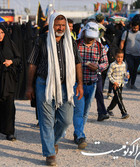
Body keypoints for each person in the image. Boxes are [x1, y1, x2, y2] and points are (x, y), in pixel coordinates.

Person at [26, 13, 83, 166]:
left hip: (66, 86)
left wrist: (80, 84)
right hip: (44, 85)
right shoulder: (42, 40)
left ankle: (53, 141)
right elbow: (32, 64)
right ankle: (50, 154)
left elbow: (78, 62)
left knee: (66, 120)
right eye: (58, 25)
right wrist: (29, 86)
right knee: (46, 121)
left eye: (63, 25)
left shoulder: (70, 41)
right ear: (51, 25)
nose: (60, 28)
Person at [73, 22, 108, 149]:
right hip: (77, 84)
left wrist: (97, 67)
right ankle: (81, 136)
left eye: (93, 37)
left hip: (92, 83)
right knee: (78, 110)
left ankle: (77, 133)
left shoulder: (100, 47)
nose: (91, 39)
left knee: (85, 112)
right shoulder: (75, 45)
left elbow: (105, 63)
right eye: (89, 36)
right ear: (83, 33)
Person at [120, 21, 140, 89]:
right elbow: (122, 42)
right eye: (134, 28)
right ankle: (128, 81)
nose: (135, 29)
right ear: (131, 26)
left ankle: (132, 83)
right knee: (130, 67)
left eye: (137, 28)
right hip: (128, 54)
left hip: (137, 54)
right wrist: (120, 51)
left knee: (135, 70)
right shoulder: (126, 33)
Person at [107, 49, 129, 119]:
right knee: (119, 98)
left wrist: (127, 75)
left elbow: (125, 72)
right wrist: (114, 82)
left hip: (121, 83)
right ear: (115, 57)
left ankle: (108, 109)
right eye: (118, 57)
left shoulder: (123, 64)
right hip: (115, 84)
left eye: (121, 57)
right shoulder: (113, 65)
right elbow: (109, 74)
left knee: (116, 98)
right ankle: (124, 112)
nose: (120, 59)